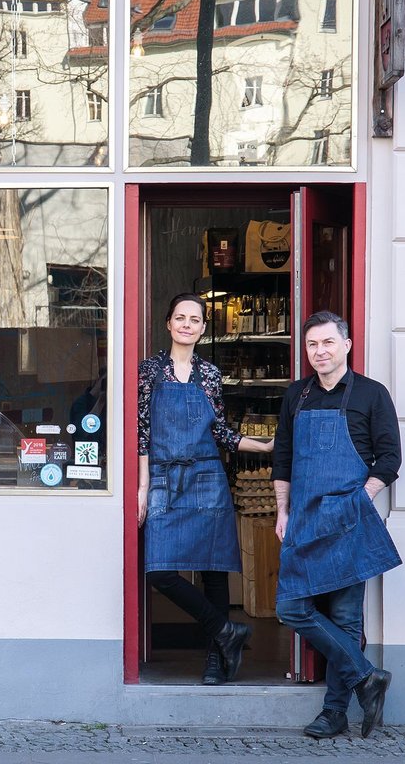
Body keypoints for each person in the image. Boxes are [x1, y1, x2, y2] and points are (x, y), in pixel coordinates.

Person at [272, 310, 402, 739]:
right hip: (305, 519)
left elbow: (389, 459)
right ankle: (368, 676)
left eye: (328, 342)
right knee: (291, 608)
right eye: (312, 344)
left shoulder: (371, 394)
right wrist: (282, 511)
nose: (320, 351)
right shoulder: (297, 395)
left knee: (346, 619)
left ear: (346, 344)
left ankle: (333, 713)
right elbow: (283, 458)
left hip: (348, 521)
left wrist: (360, 500)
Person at [137, 293, 273, 685]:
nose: (186, 325)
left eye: (194, 319)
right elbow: (141, 430)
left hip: (207, 476)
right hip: (163, 476)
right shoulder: (149, 371)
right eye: (179, 317)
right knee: (159, 571)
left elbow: (219, 432)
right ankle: (226, 629)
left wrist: (262, 446)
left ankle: (217, 658)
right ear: (168, 323)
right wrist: (143, 487)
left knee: (213, 570)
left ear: (202, 327)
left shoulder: (210, 374)